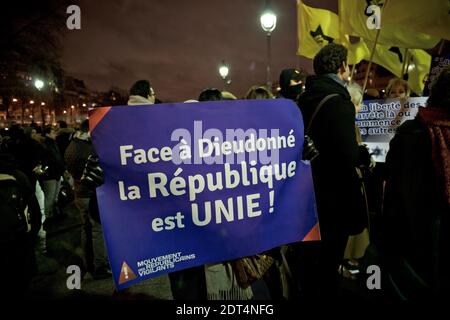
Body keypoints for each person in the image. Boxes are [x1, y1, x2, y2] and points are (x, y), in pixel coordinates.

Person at [296, 43, 371, 297]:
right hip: (333, 201)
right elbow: (346, 156)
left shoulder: (302, 100)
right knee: (328, 264)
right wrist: (361, 155)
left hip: (305, 197)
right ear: (342, 68)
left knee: (309, 263)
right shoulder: (340, 103)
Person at [382, 65, 450, 299]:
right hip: (423, 237)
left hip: (412, 236)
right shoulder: (411, 134)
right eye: (394, 92)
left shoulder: (411, 132)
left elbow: (393, 191)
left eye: (402, 92)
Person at [65, 120, 110, 279]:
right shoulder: (88, 148)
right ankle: (100, 265)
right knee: (98, 229)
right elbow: (95, 172)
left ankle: (88, 263)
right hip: (90, 193)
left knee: (87, 228)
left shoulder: (72, 145)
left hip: (80, 193)